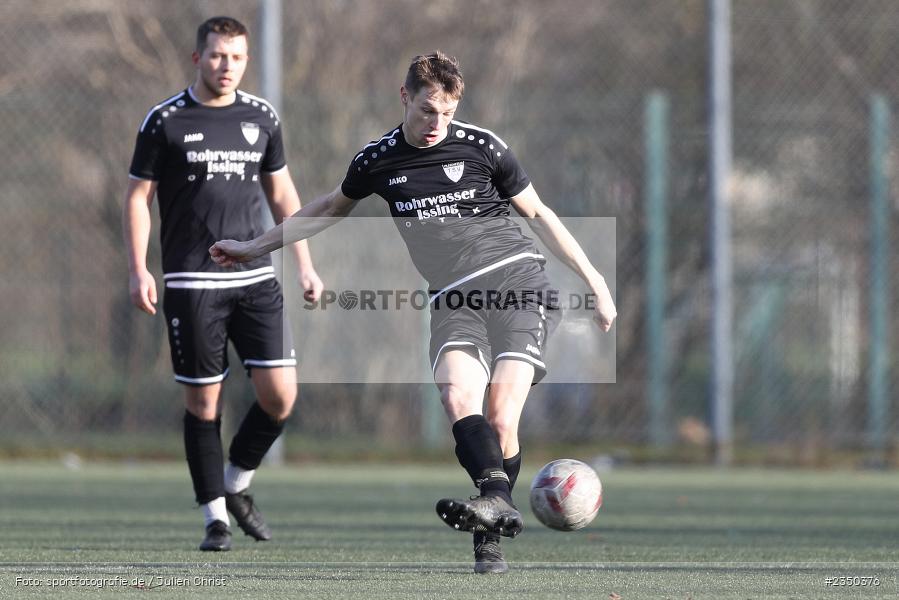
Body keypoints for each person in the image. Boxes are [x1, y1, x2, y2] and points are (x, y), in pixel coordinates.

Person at [209, 51, 616, 572]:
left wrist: (595, 282)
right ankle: (497, 506)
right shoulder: (378, 160)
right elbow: (326, 210)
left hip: (517, 282)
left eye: (446, 112)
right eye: (427, 110)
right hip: (453, 297)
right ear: (406, 97)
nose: (436, 124)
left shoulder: (483, 147)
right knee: (454, 393)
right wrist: (253, 247)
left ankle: (488, 534)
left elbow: (540, 215)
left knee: (500, 415)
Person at [122, 16, 323, 552]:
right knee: (204, 406)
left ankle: (236, 483)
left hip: (256, 277)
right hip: (192, 283)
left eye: (235, 57)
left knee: (280, 396)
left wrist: (303, 261)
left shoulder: (261, 117)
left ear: (246, 60)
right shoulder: (165, 120)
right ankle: (215, 517)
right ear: (197, 58)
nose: (226, 65)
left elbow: (282, 194)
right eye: (216, 56)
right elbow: (139, 198)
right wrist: (140, 267)